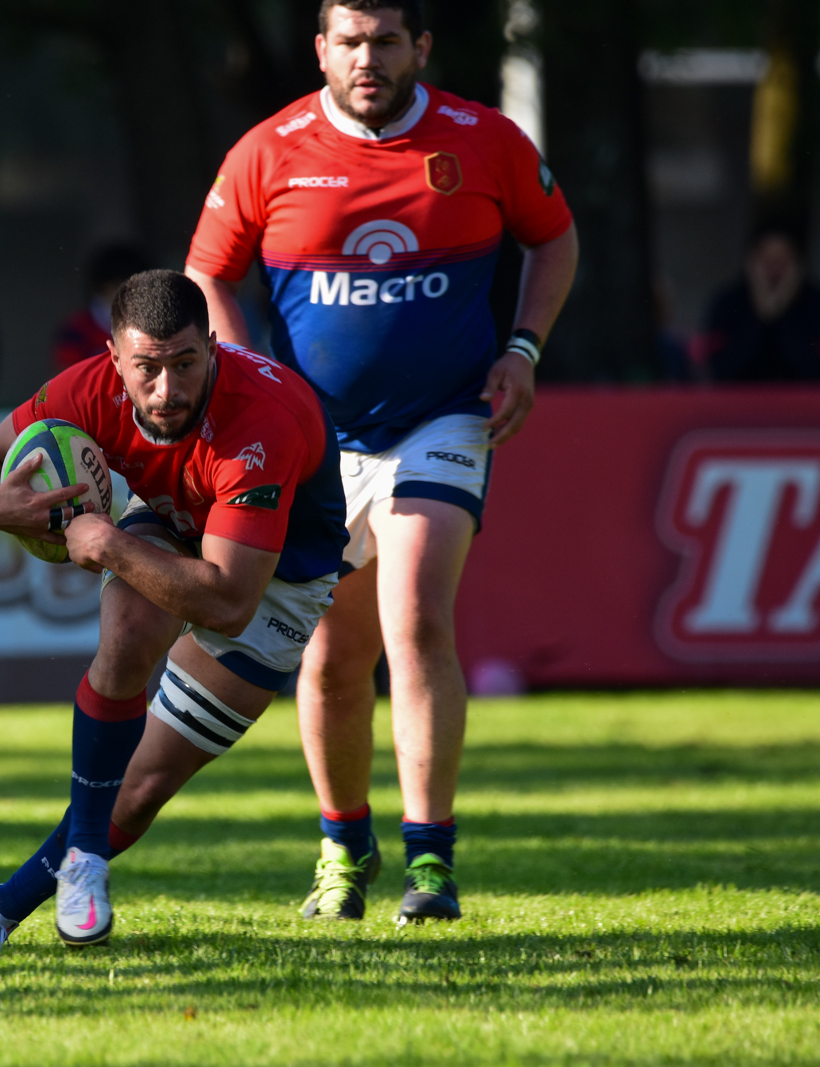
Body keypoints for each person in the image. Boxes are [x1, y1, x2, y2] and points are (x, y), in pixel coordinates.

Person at [184, 0, 578, 923]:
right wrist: (244, 385)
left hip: (442, 418)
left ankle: (430, 862)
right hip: (315, 442)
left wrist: (521, 350)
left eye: (386, 41)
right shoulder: (266, 150)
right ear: (322, 49)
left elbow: (553, 236)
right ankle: (342, 846)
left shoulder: (486, 140)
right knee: (329, 656)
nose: (368, 59)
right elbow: (208, 271)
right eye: (350, 42)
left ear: (420, 48)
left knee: (415, 617)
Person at [0, 269, 349, 950]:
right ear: (113, 357)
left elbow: (227, 599)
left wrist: (107, 542)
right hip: (174, 525)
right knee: (126, 631)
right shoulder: (87, 387)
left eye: (186, 364)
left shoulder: (259, 422)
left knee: (141, 785)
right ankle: (79, 864)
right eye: (147, 369)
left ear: (212, 346)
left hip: (274, 583)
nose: (167, 390)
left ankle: (0, 903)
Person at [695, 221, 820, 382]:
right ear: (751, 261)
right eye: (767, 261)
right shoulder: (727, 302)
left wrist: (782, 306)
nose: (774, 269)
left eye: (782, 260)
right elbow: (722, 371)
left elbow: (814, 371)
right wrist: (761, 312)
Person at [51, 243, 150, 370]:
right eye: (116, 286)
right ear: (101, 287)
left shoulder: (151, 327)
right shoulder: (77, 329)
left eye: (133, 288)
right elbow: (63, 378)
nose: (125, 294)